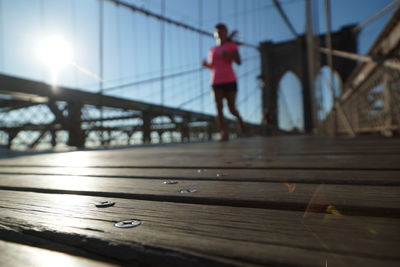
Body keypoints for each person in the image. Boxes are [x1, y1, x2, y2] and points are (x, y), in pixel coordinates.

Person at [202, 23, 244, 141]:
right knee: (218, 106)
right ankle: (223, 132)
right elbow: (213, 66)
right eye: (217, 31)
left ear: (226, 32)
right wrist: (206, 65)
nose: (219, 33)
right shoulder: (212, 50)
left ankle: (238, 118)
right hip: (216, 80)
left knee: (231, 108)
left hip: (230, 79)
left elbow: (239, 61)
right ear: (215, 34)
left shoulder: (232, 46)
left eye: (222, 31)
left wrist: (229, 55)